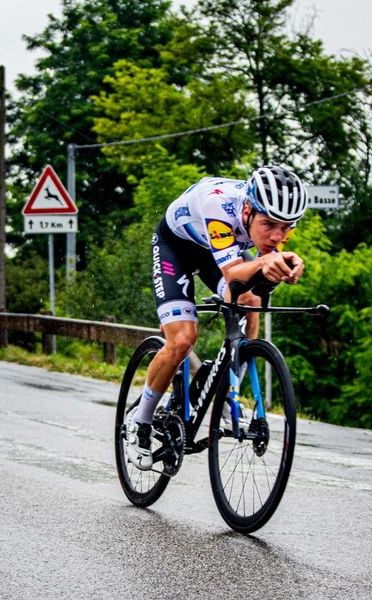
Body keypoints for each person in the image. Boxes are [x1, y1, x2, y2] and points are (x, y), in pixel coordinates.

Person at [125, 165, 308, 470]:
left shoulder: (267, 226)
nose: (277, 236)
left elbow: (253, 275)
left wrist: (286, 263)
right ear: (248, 210)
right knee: (183, 339)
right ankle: (140, 420)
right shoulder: (218, 205)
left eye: (287, 227)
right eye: (269, 225)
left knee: (251, 299)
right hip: (177, 248)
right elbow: (233, 272)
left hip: (219, 250)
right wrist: (266, 262)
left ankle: (227, 387)